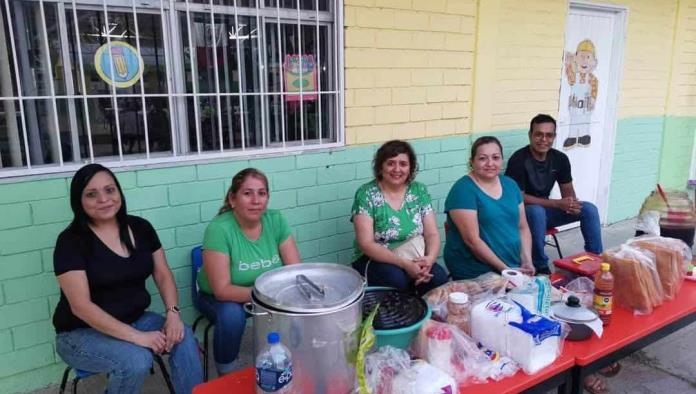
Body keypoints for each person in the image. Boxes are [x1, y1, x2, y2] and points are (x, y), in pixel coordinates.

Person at [52, 164, 202, 394]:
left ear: (119, 192)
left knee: (184, 335)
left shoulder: (141, 228)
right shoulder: (71, 242)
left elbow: (162, 274)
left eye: (110, 190)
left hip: (136, 319)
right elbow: (81, 307)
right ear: (78, 201)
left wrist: (173, 314)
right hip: (80, 333)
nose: (104, 199)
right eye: (91, 194)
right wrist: (138, 337)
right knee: (136, 361)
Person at [197, 168, 301, 374]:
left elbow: (294, 271)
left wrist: (284, 296)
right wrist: (272, 296)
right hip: (218, 297)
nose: (256, 200)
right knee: (232, 316)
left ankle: (292, 361)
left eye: (262, 193)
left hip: (264, 294)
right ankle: (227, 372)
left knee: (299, 300)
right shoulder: (219, 229)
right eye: (247, 193)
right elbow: (222, 290)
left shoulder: (276, 220)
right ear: (232, 199)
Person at [505, 114, 603, 275]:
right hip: (521, 214)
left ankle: (595, 260)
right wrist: (557, 204)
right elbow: (518, 197)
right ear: (530, 135)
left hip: (545, 211)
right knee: (535, 211)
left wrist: (572, 204)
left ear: (554, 137)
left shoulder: (560, 159)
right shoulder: (519, 159)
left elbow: (568, 194)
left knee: (589, 209)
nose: (544, 139)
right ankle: (540, 266)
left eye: (549, 135)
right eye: (539, 134)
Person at [351, 140, 448, 295]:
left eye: (403, 164)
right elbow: (366, 244)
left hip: (413, 253)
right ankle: (396, 315)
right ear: (380, 166)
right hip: (376, 258)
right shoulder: (366, 194)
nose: (397, 169)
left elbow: (432, 234)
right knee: (397, 279)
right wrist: (404, 264)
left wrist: (429, 260)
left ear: (410, 168)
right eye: (390, 163)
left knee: (438, 278)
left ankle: (423, 316)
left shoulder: (419, 191)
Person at [444, 136, 535, 280]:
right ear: (471, 162)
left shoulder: (511, 185)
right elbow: (472, 241)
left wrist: (527, 261)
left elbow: (522, 227)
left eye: (495, 157)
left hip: (513, 266)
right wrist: (506, 271)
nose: (490, 163)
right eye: (482, 158)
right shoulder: (463, 190)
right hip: (477, 270)